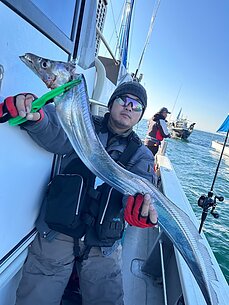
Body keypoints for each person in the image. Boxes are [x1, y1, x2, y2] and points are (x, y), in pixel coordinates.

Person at [0, 81, 158, 305]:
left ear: (140, 116)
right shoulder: (82, 124)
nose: (129, 107)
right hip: (56, 234)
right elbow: (55, 131)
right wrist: (36, 117)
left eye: (137, 105)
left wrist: (138, 211)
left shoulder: (142, 155)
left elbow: (142, 187)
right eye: (124, 100)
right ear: (112, 103)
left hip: (104, 247)